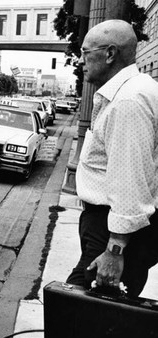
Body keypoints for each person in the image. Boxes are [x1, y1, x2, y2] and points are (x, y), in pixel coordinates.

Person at [66, 20, 158, 297]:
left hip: (115, 235)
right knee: (92, 318)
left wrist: (115, 250)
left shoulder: (128, 101)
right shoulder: (132, 90)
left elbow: (131, 181)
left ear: (109, 54)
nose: (80, 60)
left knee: (81, 318)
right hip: (112, 230)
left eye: (85, 52)